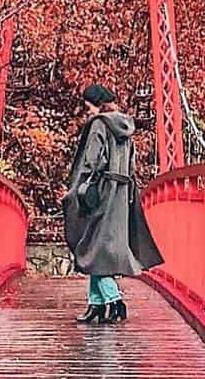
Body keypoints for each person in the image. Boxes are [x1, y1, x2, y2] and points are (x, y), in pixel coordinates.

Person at [61, 83, 163, 325]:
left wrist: (77, 189)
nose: (86, 110)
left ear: (96, 103)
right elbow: (132, 164)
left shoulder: (99, 124)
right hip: (120, 192)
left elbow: (93, 161)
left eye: (88, 105)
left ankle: (115, 301)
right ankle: (96, 305)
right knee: (98, 251)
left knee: (94, 249)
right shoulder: (125, 126)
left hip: (100, 194)